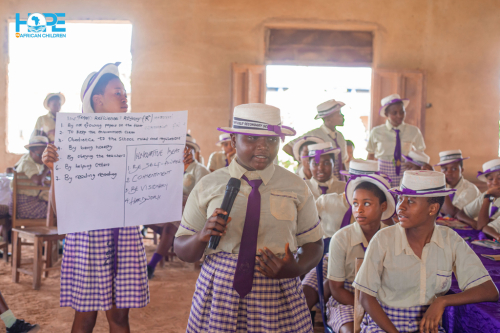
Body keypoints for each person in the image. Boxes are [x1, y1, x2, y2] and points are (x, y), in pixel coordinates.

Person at [175, 103, 324, 333]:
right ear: (234, 141)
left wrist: (295, 268)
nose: (263, 147)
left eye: (272, 140)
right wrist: (202, 236)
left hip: (278, 294)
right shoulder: (209, 185)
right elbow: (182, 248)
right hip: (219, 295)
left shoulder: (296, 187)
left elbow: (314, 244)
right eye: (252, 138)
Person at [42, 63, 149, 333]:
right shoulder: (73, 141)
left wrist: (172, 167)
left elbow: (148, 188)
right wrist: (55, 171)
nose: (124, 97)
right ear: (97, 100)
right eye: (117, 93)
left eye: (125, 92)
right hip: (87, 235)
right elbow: (59, 209)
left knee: (119, 319)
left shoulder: (136, 136)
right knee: (85, 318)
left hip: (123, 233)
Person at [353, 170, 499, 333]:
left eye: (411, 201)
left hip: (426, 328)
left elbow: (489, 291)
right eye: (400, 198)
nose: (400, 206)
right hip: (384, 326)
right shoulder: (383, 239)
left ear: (433, 208)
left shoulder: (450, 240)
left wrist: (441, 301)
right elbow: (365, 297)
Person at [302, 159, 390, 314]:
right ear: (349, 180)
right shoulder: (328, 201)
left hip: (363, 260)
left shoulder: (381, 208)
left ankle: (333, 296)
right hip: (329, 256)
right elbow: (305, 224)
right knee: (306, 293)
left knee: (338, 284)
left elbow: (392, 229)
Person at [326, 173, 395, 333]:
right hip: (347, 299)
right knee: (350, 330)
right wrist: (364, 305)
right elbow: (336, 289)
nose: (359, 210)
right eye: (355, 204)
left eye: (367, 203)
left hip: (381, 301)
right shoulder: (341, 239)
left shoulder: (392, 237)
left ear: (383, 207)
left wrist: (376, 306)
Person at [146, 135, 210, 279]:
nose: (184, 152)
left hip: (190, 213)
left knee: (169, 227)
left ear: (193, 152)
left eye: (188, 149)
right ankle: (166, 238)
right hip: (170, 209)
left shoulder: (200, 170)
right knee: (144, 214)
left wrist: (181, 198)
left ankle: (151, 265)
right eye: (180, 149)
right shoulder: (173, 170)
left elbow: (202, 198)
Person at [366, 94, 426, 188]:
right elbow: (370, 155)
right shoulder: (376, 131)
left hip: (405, 171)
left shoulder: (413, 131)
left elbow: (420, 152)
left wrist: (415, 163)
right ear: (386, 114)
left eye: (402, 111)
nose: (400, 116)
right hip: (382, 171)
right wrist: (368, 177)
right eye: (394, 113)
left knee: (402, 196)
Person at [284, 99, 348, 180]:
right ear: (329, 119)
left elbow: (342, 162)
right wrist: (304, 160)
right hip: (318, 179)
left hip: (336, 180)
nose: (342, 116)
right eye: (339, 113)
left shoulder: (340, 136)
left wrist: (345, 180)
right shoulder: (314, 135)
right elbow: (287, 147)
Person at [8, 136, 50, 219]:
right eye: (40, 155)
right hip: (25, 207)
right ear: (31, 152)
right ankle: (51, 231)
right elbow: (38, 181)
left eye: (45, 155)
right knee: (56, 212)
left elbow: (11, 169)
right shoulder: (28, 163)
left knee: (52, 205)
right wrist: (46, 168)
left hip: (17, 206)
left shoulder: (26, 158)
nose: (43, 159)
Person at [454, 159, 500, 230]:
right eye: (490, 179)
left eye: (499, 178)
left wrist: (487, 196)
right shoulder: (486, 195)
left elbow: (482, 227)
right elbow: (460, 214)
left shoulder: (487, 194)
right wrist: (473, 222)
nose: (495, 182)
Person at [435, 150, 480, 217]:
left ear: (461, 170)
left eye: (454, 169)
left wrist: (441, 186)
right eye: (444, 169)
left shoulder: (470, 190)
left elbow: (451, 213)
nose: (448, 173)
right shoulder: (447, 188)